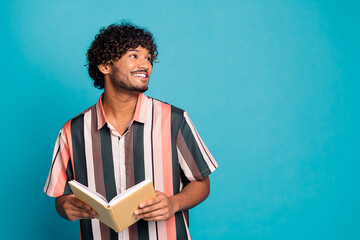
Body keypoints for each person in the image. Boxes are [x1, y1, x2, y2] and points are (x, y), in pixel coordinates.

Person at [44, 22, 218, 240]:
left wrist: (173, 203)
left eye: (148, 58)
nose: (145, 65)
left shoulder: (175, 120)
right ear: (105, 65)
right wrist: (66, 208)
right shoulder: (72, 131)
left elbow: (202, 182)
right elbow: (61, 198)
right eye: (134, 56)